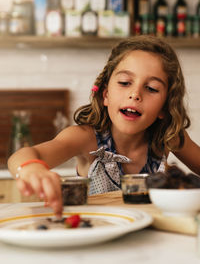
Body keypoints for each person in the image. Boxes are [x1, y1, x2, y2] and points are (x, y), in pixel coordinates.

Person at [8, 35, 200, 217]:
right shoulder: (84, 138)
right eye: (125, 83)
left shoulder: (168, 137)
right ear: (105, 95)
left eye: (151, 88)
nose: (135, 94)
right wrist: (32, 169)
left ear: (165, 108)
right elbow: (22, 156)